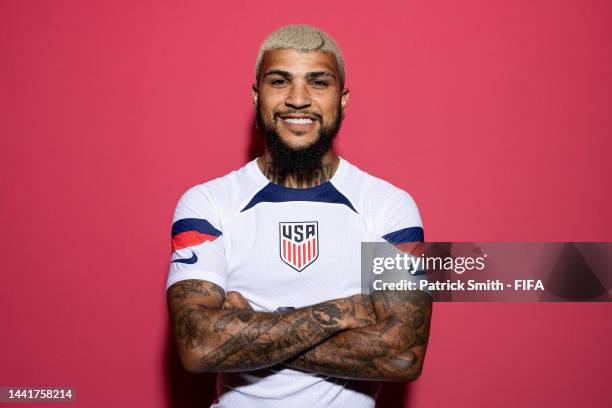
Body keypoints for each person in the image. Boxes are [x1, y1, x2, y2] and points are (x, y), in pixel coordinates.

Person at [165, 24, 432, 408]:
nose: (298, 99)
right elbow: (197, 345)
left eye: (318, 83)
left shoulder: (389, 206)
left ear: (342, 99)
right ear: (257, 96)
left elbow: (403, 354)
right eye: (279, 81)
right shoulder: (207, 203)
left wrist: (248, 332)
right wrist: (344, 311)